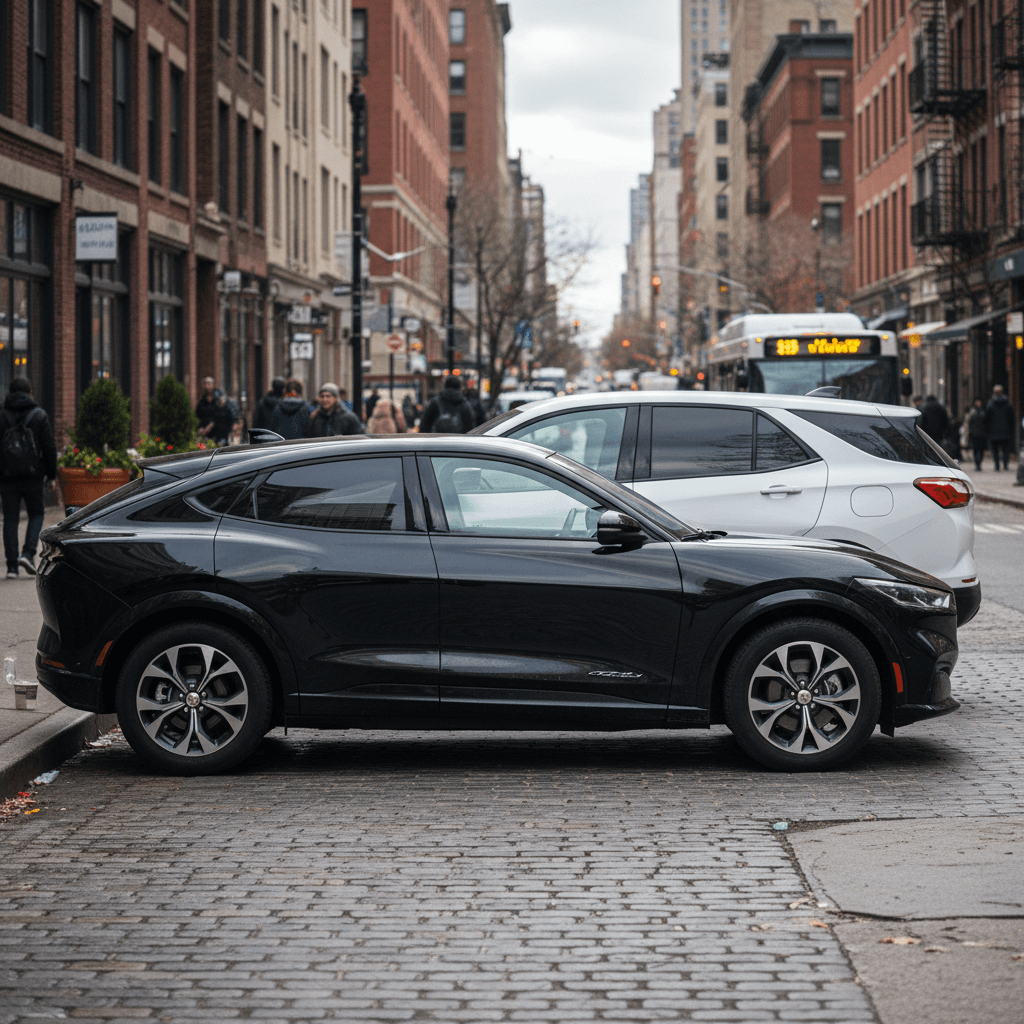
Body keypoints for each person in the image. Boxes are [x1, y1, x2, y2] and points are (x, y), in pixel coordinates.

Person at [1, 377, 56, 579]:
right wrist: (51, 475)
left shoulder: (2, 415)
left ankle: (12, 567)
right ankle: (28, 553)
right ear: (30, 392)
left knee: (10, 519)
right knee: (36, 513)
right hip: (33, 476)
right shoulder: (39, 415)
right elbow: (49, 447)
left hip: (7, 477)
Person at [984, 384, 1016, 470]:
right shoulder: (1007, 403)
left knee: (995, 450)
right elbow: (1012, 418)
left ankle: (997, 465)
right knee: (1005, 449)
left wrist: (987, 430)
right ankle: (1005, 464)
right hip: (1005, 431)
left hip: (993, 431)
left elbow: (986, 418)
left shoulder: (990, 404)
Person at [964, 397, 988, 471]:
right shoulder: (972, 412)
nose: (978, 403)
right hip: (974, 434)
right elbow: (969, 423)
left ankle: (979, 462)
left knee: (981, 449)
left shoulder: (983, 411)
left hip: (982, 434)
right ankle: (977, 464)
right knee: (975, 449)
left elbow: (986, 422)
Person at [195, 377, 221, 443]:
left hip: (215, 431)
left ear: (213, 385)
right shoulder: (202, 400)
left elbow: (219, 415)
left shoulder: (217, 400)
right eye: (206, 384)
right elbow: (198, 415)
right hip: (204, 431)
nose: (207, 386)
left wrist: (210, 426)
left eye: (209, 384)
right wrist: (200, 428)